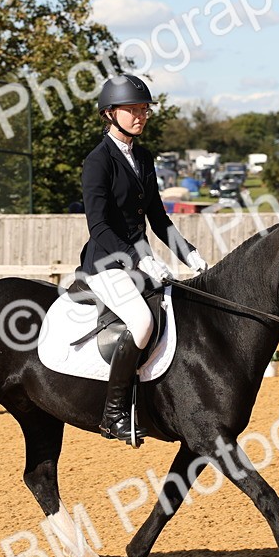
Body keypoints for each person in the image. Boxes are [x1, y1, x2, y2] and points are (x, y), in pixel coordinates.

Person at [78, 74, 209, 446]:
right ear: (110, 114)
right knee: (141, 322)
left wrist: (189, 254)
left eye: (144, 109)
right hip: (106, 263)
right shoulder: (97, 161)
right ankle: (113, 414)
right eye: (132, 110)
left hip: (142, 261)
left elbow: (158, 217)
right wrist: (137, 258)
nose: (140, 116)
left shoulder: (144, 157)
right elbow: (99, 225)